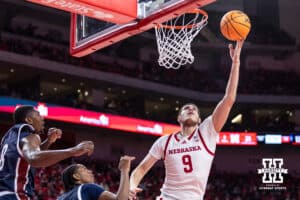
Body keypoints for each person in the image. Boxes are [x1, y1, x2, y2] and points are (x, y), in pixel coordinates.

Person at [129, 40, 244, 200]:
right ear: (179, 118)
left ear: (199, 119)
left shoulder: (207, 132)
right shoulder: (165, 142)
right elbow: (140, 169)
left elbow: (229, 99)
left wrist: (236, 62)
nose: (190, 109)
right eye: (186, 109)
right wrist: (131, 186)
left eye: (194, 110)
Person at [0, 105, 94, 199]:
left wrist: (49, 141)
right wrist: (73, 150)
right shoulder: (31, 135)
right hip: (14, 195)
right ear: (29, 120)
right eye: (38, 115)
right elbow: (33, 158)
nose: (42, 118)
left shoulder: (10, 136)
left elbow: (27, 153)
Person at [58, 155, 135, 200]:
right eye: (84, 169)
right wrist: (124, 170)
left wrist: (125, 192)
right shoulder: (86, 188)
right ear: (76, 176)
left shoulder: (60, 198)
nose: (90, 171)